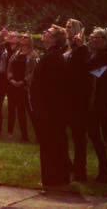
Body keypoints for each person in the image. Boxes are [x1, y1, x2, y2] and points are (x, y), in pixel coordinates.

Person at [31, 25, 70, 191]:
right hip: (48, 109)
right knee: (51, 144)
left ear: (54, 39)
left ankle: (52, 179)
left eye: (48, 32)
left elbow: (51, 87)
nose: (44, 33)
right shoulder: (51, 55)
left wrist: (42, 108)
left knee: (50, 144)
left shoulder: (53, 57)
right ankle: (56, 178)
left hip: (49, 110)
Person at [63, 18, 90, 182]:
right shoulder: (67, 49)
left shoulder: (82, 49)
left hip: (78, 99)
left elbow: (85, 68)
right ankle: (69, 166)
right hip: (66, 97)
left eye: (71, 27)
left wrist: (81, 47)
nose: (68, 29)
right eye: (66, 26)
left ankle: (80, 169)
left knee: (79, 136)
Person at [86, 27, 107, 183]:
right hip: (93, 100)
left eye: (98, 37)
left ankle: (105, 171)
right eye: (93, 37)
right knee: (93, 136)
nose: (94, 40)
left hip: (98, 102)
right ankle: (103, 171)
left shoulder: (105, 57)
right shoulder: (95, 55)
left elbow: (89, 69)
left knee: (96, 136)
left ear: (105, 40)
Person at [6, 32, 35, 142]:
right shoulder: (16, 54)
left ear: (30, 40)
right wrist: (12, 79)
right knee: (15, 110)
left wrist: (24, 81)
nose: (23, 38)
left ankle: (33, 135)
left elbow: (33, 72)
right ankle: (17, 135)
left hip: (24, 87)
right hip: (13, 85)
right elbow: (9, 68)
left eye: (26, 37)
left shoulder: (33, 55)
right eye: (22, 37)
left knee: (28, 112)